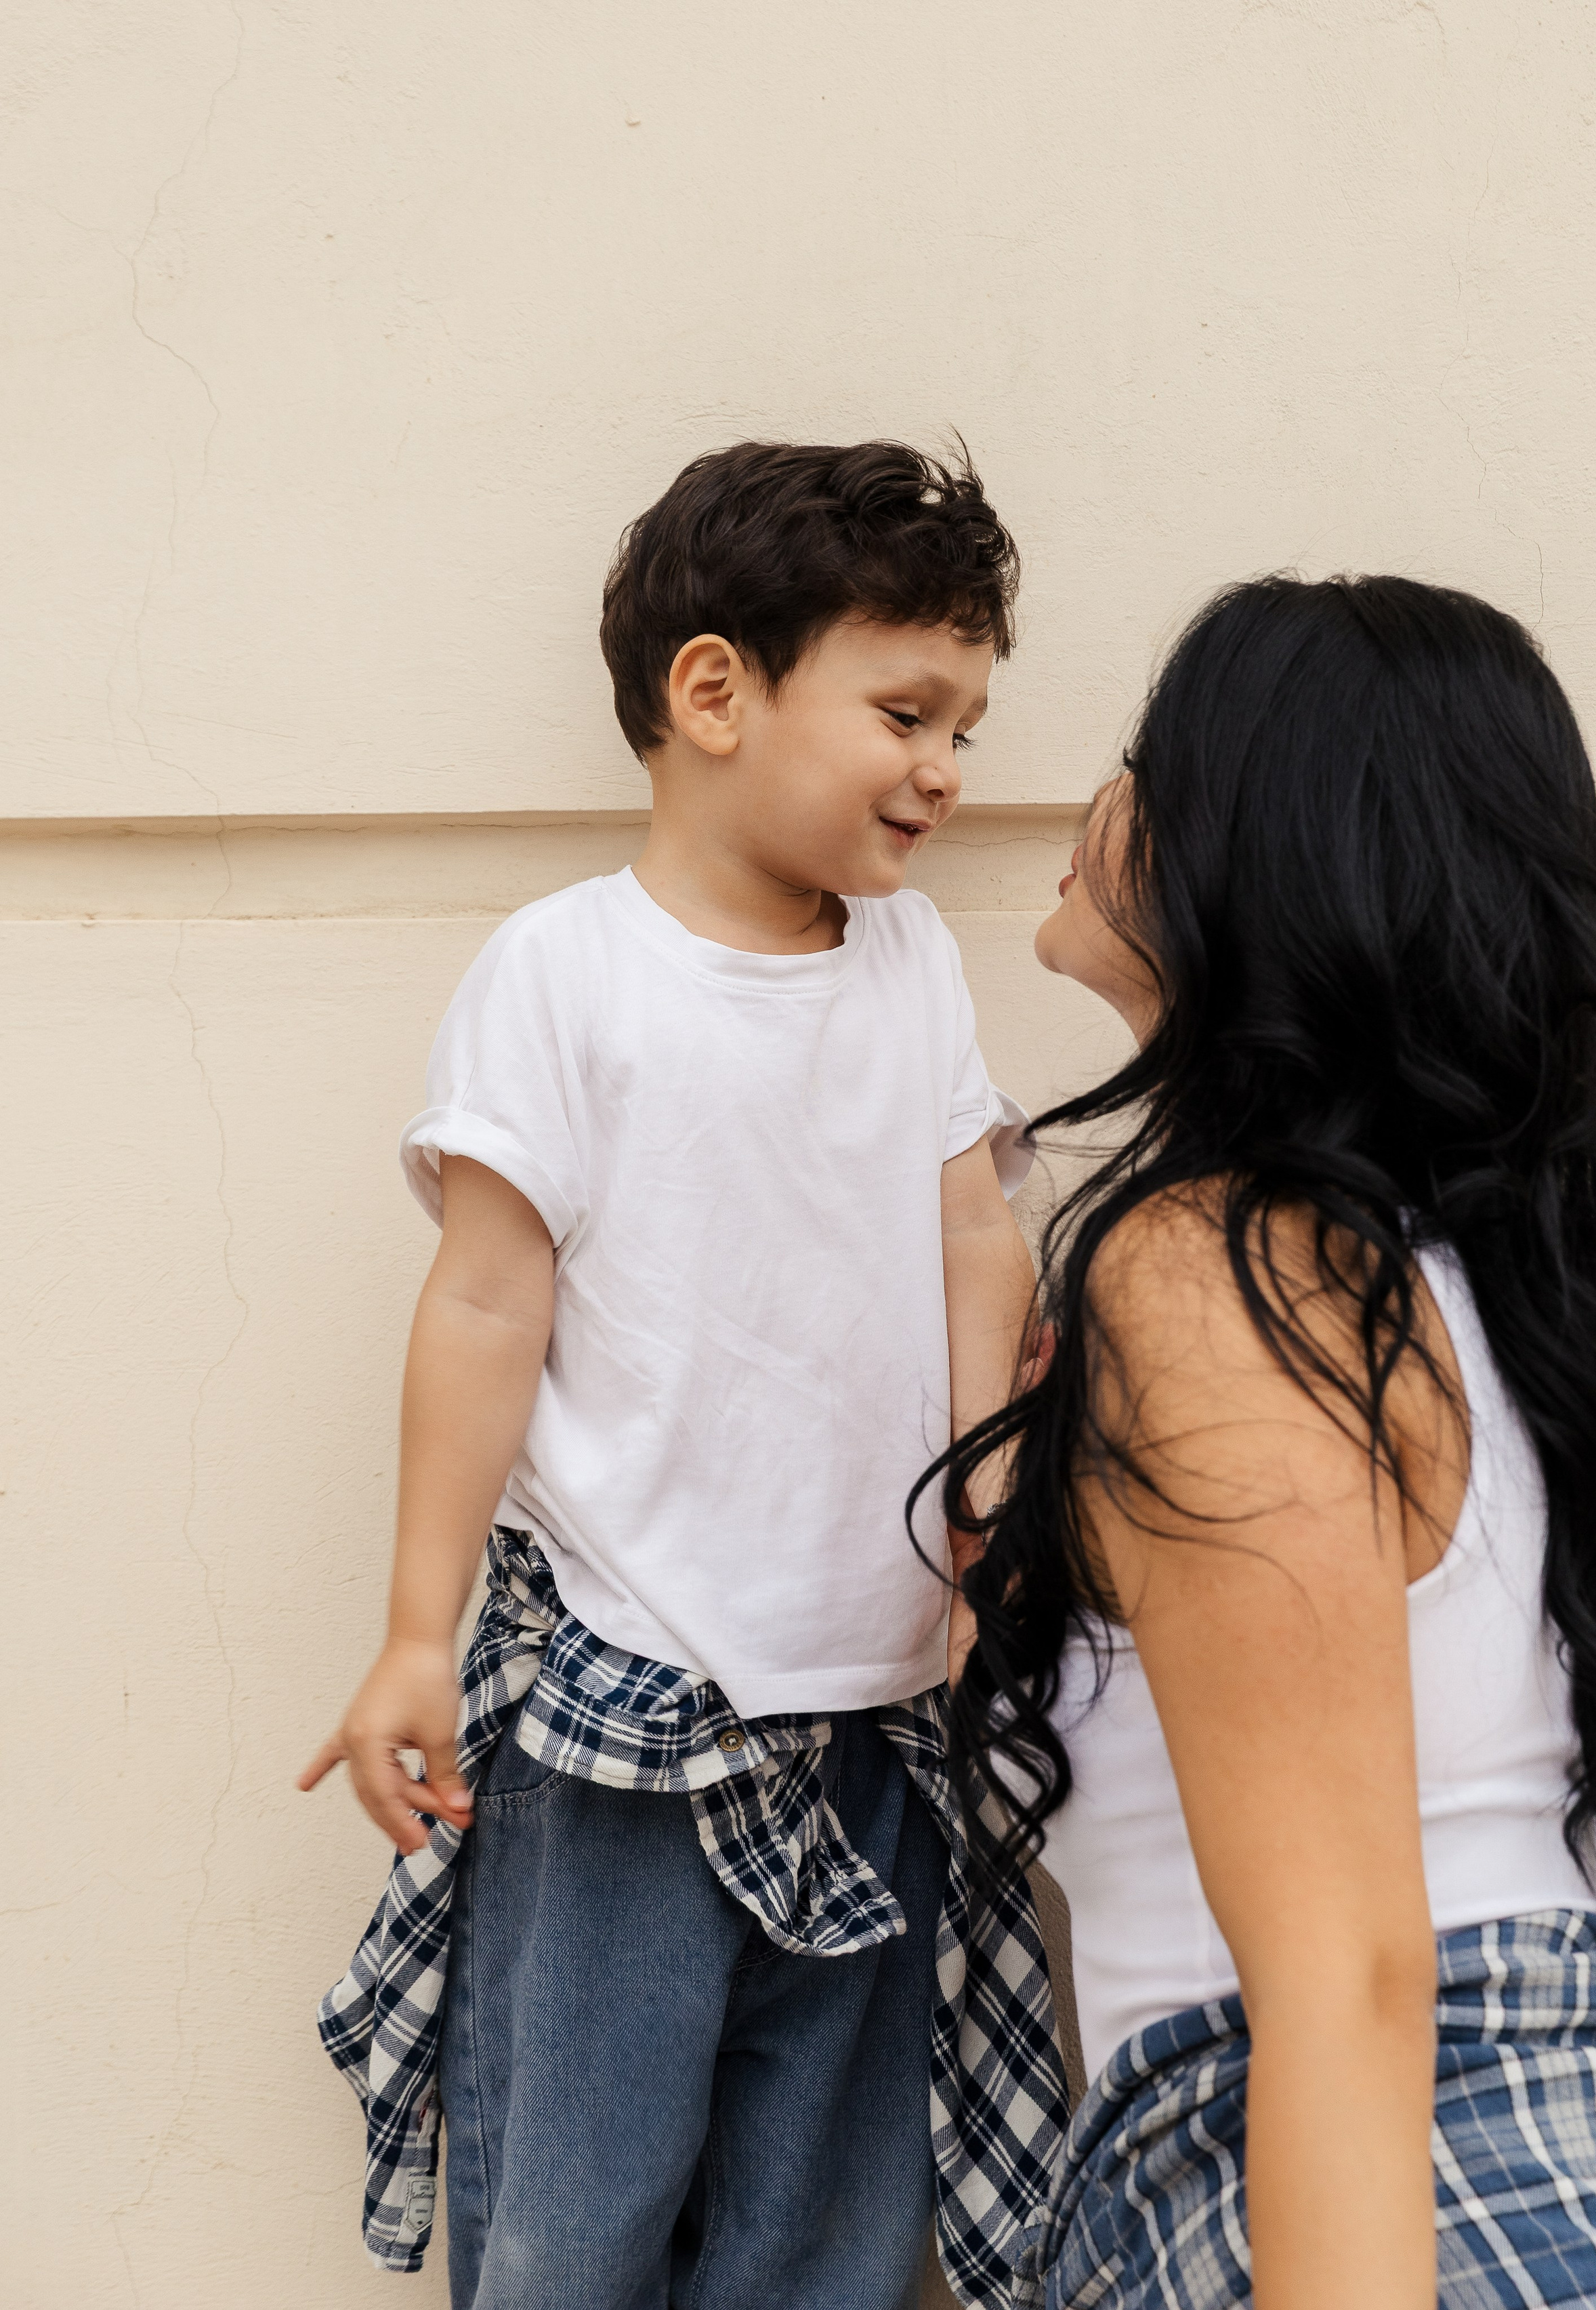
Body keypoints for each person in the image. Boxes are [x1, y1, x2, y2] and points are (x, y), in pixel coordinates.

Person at [298, 440, 1069, 2310]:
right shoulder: (565, 976)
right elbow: (486, 1306)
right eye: (907, 710)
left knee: (835, 2232)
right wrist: (417, 1629)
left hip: (881, 1711)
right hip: (627, 1712)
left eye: (966, 721)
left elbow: (976, 1231)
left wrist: (986, 1490)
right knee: (574, 2217)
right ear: (714, 691)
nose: (947, 769)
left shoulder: (908, 968)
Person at [938, 575, 1596, 2308]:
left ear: (1257, 846)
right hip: (1577, 2184)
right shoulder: (1494, 1296)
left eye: (1150, 759)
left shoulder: (1224, 1278)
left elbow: (1349, 1978)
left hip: (1401, 2202)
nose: (1099, 801)